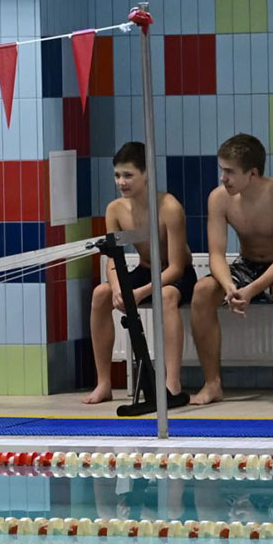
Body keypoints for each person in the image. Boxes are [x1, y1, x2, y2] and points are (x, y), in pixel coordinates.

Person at [190, 133, 273, 408]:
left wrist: (251, 290)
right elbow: (216, 255)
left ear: (252, 173)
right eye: (222, 170)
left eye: (230, 172)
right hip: (246, 264)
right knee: (203, 290)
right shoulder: (219, 199)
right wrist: (229, 286)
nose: (223, 178)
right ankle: (212, 383)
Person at [83, 141, 196, 407]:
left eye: (128, 175)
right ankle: (104, 383)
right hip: (145, 271)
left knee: (166, 297)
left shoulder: (169, 207)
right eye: (117, 175)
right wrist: (118, 288)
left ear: (146, 174)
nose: (121, 182)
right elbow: (112, 258)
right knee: (101, 294)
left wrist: (139, 293)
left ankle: (171, 383)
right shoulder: (115, 210)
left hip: (174, 275)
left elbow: (177, 267)